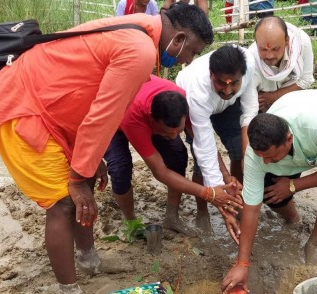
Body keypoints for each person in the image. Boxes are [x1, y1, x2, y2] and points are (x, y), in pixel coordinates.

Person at [0, 5, 214, 294]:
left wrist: (86, 165)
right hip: (24, 108)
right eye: (193, 51)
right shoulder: (139, 50)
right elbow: (104, 115)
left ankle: (89, 261)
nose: (189, 60)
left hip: (53, 108)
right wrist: (77, 177)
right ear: (178, 38)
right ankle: (69, 292)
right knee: (64, 202)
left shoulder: (141, 26)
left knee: (84, 183)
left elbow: (89, 98)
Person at [221, 90, 317, 292]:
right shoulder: (257, 155)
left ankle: (314, 242)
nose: (266, 162)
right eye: (261, 156)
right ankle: (294, 218)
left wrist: (293, 185)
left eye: (271, 156)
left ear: (288, 139)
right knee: (268, 187)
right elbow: (251, 208)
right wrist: (242, 264)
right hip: (300, 148)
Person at [104, 76, 243, 236]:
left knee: (178, 156)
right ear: (151, 119)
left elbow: (205, 144)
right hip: (115, 117)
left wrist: (225, 175)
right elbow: (160, 172)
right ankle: (131, 222)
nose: (172, 136)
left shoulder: (187, 104)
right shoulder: (134, 118)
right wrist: (207, 193)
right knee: (120, 168)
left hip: (148, 112)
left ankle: (171, 217)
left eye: (178, 130)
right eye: (166, 132)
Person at [175, 44, 258, 236]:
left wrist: (246, 158)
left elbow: (249, 109)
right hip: (194, 108)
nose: (228, 90)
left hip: (227, 108)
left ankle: (237, 194)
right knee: (200, 164)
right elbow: (206, 147)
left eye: (234, 83)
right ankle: (202, 211)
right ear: (211, 74)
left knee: (239, 149)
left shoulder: (249, 62)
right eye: (221, 83)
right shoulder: (197, 90)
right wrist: (218, 197)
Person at [248, 16, 314, 112]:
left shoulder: (301, 43)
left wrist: (273, 96)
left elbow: (306, 80)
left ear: (286, 41)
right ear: (256, 43)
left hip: (295, 105)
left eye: (275, 49)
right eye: (263, 49)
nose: (269, 56)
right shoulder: (251, 60)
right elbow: (249, 106)